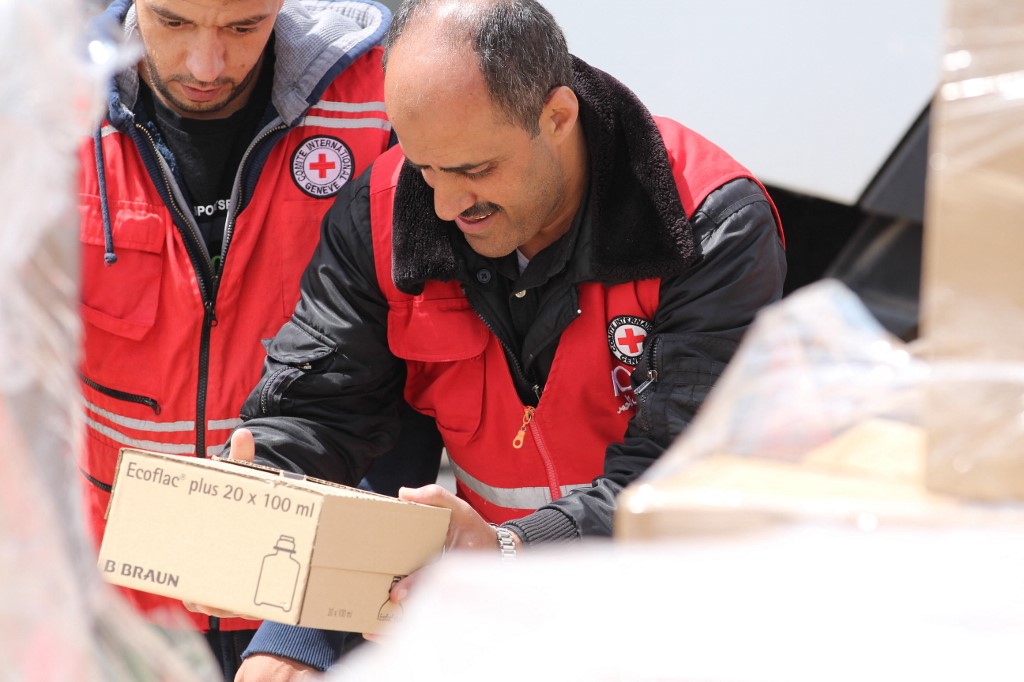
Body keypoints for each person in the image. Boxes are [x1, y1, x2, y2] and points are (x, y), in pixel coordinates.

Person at [228, 0, 786, 676]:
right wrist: (270, 478)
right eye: (425, 167)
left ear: (558, 116)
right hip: (498, 624)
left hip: (675, 622)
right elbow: (328, 408)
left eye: (474, 170)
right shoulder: (382, 213)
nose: (443, 206)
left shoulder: (706, 224)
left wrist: (511, 550)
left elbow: (678, 478)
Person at [76, 0, 442, 678]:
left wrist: (308, 627)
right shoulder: (50, 103)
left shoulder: (380, 99)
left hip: (322, 607)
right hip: (112, 614)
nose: (206, 65)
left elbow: (414, 385)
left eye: (244, 27)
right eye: (174, 22)